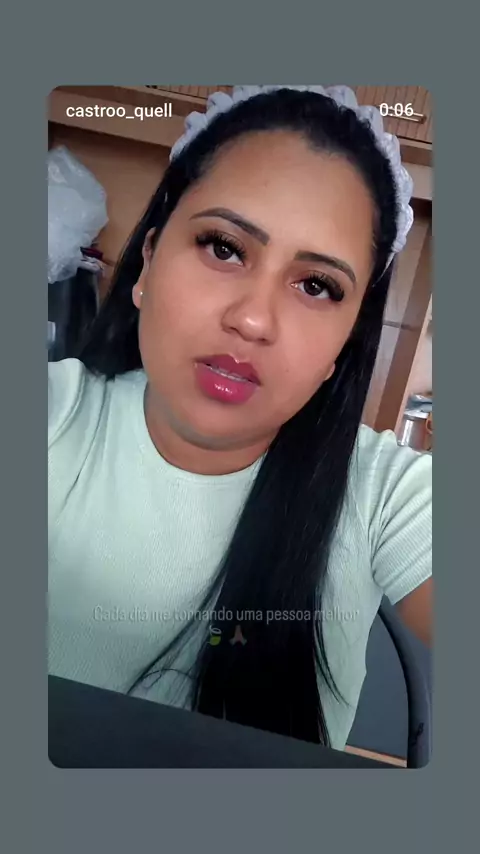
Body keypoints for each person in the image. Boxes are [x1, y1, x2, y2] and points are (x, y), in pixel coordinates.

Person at [48, 85, 432, 751]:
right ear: (148, 261)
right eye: (224, 247)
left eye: (317, 286)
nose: (253, 319)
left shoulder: (386, 495)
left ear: (342, 348)